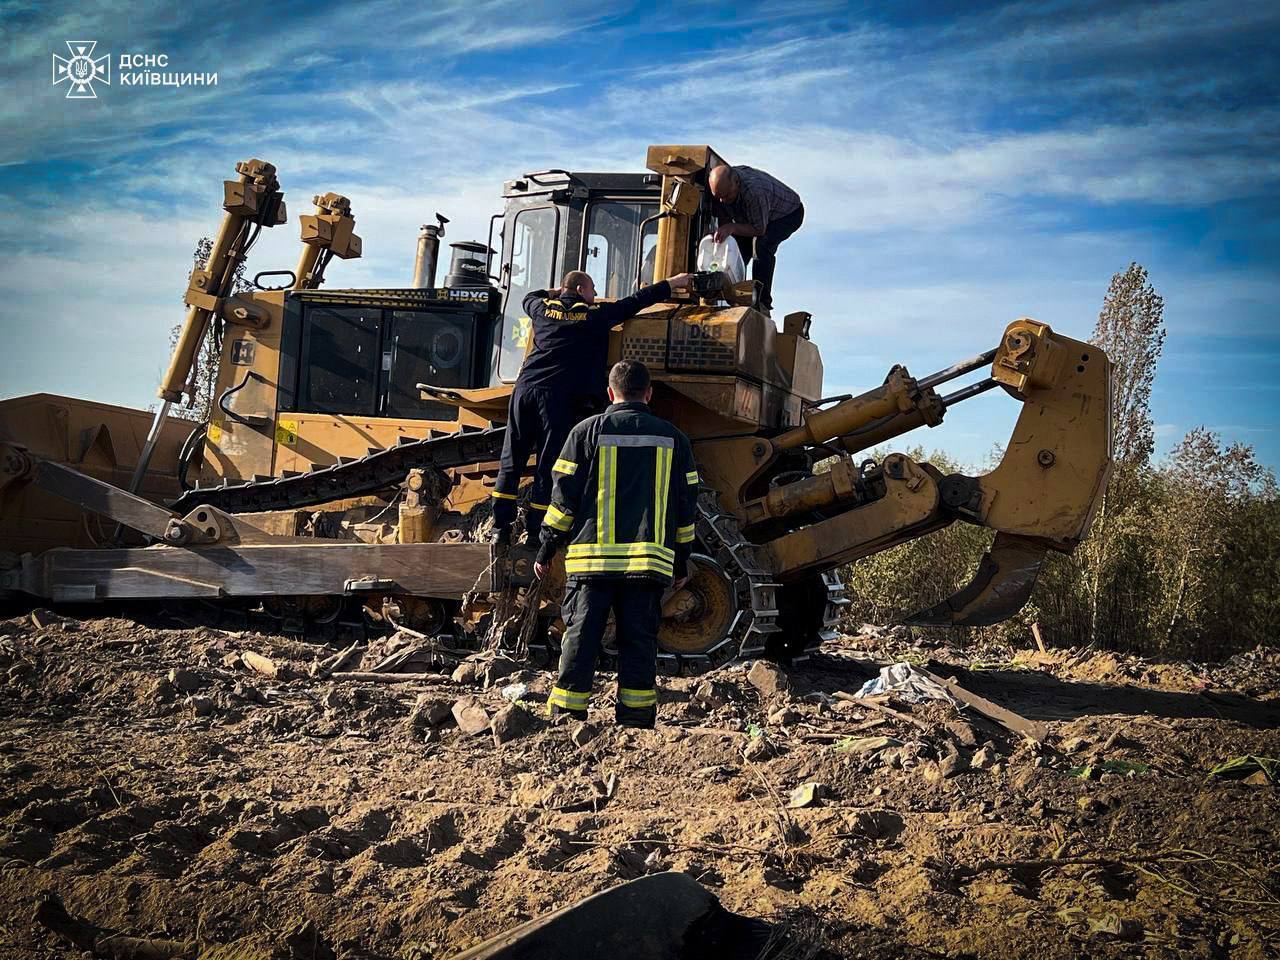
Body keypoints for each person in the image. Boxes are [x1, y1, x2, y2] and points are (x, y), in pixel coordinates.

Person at [534, 359, 699, 729]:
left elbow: (563, 501)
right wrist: (681, 560)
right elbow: (687, 508)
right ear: (649, 394)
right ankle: (636, 721)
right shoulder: (675, 439)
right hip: (647, 565)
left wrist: (546, 548)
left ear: (610, 393)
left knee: (580, 639)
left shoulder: (585, 433)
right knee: (639, 643)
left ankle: (567, 716)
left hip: (591, 565)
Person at [491, 269, 692, 544]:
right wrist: (670, 284)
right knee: (548, 465)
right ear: (582, 290)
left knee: (511, 460)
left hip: (524, 390)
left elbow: (529, 297)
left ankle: (499, 528)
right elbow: (635, 301)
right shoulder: (594, 316)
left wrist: (558, 293)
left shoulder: (540, 310)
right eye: (593, 289)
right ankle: (535, 532)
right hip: (555, 396)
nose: (596, 294)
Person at [707, 163, 804, 315]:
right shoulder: (722, 192)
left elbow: (759, 229)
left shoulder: (754, 192)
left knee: (761, 247)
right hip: (752, 216)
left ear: (736, 184)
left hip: (787, 215)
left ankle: (761, 302)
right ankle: (727, 295)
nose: (723, 201)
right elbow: (724, 214)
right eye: (718, 197)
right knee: (735, 251)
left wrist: (732, 228)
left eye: (726, 196)